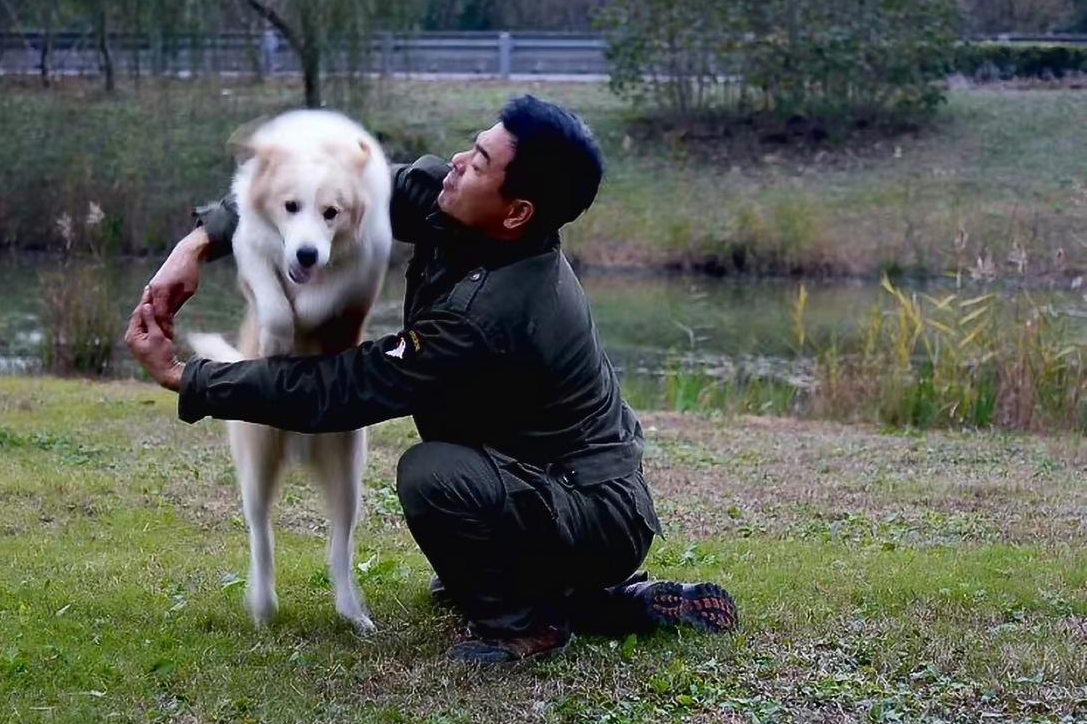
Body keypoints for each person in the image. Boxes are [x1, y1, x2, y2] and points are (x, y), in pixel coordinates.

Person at [125, 95, 738, 663]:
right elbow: (336, 183)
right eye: (472, 147)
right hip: (543, 478)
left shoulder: (494, 309)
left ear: (517, 211)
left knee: (434, 476)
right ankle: (583, 593)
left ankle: (527, 623)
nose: (457, 163)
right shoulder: (459, 209)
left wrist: (191, 377)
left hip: (595, 510)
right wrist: (201, 240)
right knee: (455, 483)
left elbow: (347, 387)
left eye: (479, 163)